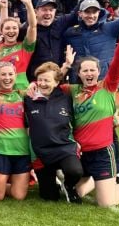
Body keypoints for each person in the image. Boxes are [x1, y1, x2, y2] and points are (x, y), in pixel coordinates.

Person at [68, 20, 119, 206]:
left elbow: (118, 59)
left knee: (106, 203)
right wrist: (65, 65)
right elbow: (50, 84)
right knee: (76, 194)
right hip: (82, 154)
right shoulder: (72, 90)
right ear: (78, 74)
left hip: (103, 152)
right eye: (84, 70)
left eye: (92, 70)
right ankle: (99, 182)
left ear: (99, 72)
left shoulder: (107, 86)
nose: (89, 73)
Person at [24, 59, 83, 202]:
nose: (43, 83)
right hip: (41, 152)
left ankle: (68, 186)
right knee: (49, 197)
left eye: (47, 80)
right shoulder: (28, 99)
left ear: (57, 83)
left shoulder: (66, 97)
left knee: (75, 172)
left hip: (64, 147)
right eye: (40, 80)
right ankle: (54, 181)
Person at [24, 0, 99, 81]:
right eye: (44, 10)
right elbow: (9, 33)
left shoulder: (60, 23)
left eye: (51, 10)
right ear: (36, 12)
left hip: (58, 78)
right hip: (35, 81)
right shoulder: (27, 28)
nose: (48, 13)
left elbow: (75, 13)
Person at [0, 61, 31, 201]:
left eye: (10, 74)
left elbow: (49, 84)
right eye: (3, 74)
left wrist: (66, 66)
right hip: (1, 149)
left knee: (18, 196)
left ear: (16, 76)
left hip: (22, 149)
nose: (7, 78)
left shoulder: (24, 95)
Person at [0, 0, 37, 90]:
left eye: (14, 28)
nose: (11, 31)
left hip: (23, 91)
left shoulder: (25, 47)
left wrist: (28, 5)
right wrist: (4, 8)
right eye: (7, 28)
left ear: (18, 31)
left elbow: (32, 26)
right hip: (2, 92)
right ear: (1, 31)